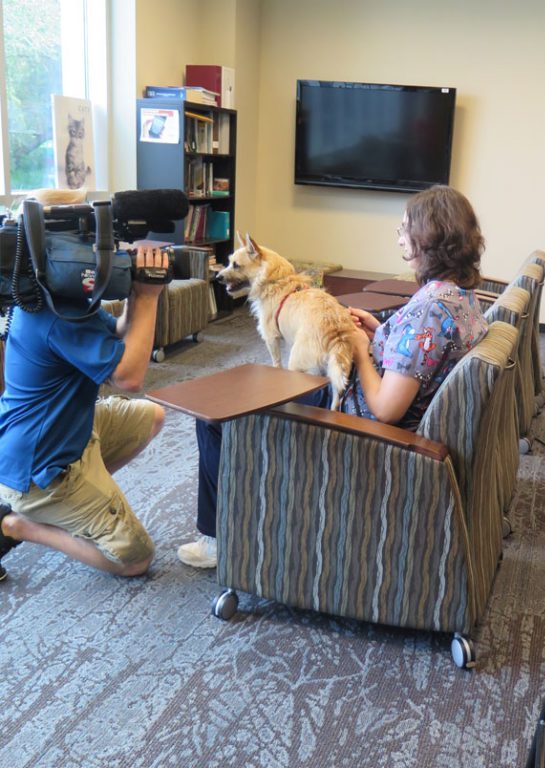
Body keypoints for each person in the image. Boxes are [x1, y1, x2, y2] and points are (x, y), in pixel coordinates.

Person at [178, 185, 489, 568]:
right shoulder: (463, 298)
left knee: (215, 413)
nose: (399, 237)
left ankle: (216, 540)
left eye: (404, 229)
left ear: (428, 238)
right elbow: (423, 356)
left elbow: (387, 408)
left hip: (355, 419)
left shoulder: (429, 309)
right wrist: (383, 332)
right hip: (371, 401)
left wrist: (360, 348)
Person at [0, 245, 169, 581]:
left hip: (66, 431)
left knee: (152, 416)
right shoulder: (55, 315)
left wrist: (138, 291)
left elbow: (120, 332)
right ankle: (17, 526)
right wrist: (150, 297)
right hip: (42, 469)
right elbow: (129, 377)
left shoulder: (57, 299)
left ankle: (80, 503)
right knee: (135, 559)